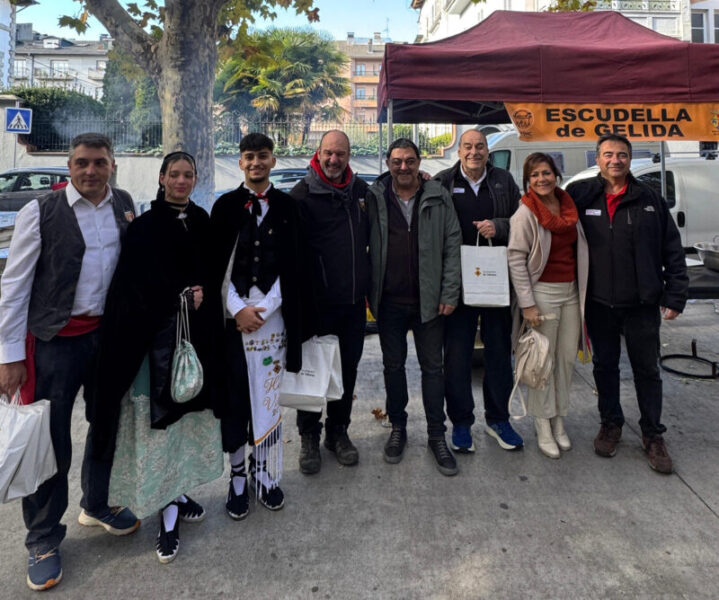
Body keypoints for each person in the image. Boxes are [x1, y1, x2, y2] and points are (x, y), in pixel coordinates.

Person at [0, 133, 140, 591]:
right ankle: (42, 538)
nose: (90, 171)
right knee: (50, 441)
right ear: (69, 165)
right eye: (82, 162)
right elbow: (14, 287)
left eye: (99, 163)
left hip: (107, 338)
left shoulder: (123, 203)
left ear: (112, 165)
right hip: (54, 342)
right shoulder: (38, 211)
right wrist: (9, 357)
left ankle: (96, 504)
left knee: (106, 425)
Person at [92, 151, 224, 564]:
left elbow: (212, 274)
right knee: (162, 426)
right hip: (154, 348)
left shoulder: (202, 221)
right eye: (175, 175)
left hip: (193, 347)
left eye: (188, 175)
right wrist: (178, 298)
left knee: (184, 425)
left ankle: (178, 492)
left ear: (195, 179)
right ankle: (166, 517)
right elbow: (133, 288)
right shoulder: (144, 228)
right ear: (162, 178)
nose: (181, 181)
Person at [566, 133, 688, 474]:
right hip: (598, 303)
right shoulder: (581, 194)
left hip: (641, 303)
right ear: (597, 158)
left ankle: (653, 434)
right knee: (604, 367)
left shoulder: (649, 198)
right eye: (608, 154)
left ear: (630, 159)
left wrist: (675, 294)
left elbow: (672, 250)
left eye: (621, 154)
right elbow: (543, 202)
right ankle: (611, 423)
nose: (615, 160)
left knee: (647, 370)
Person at [210, 133, 303, 519]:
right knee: (235, 400)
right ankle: (236, 476)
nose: (256, 163)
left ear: (273, 160)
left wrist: (264, 308)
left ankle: (264, 471)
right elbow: (215, 267)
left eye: (262, 156)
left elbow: (294, 265)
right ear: (240, 162)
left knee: (267, 396)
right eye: (249, 157)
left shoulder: (288, 207)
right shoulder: (225, 206)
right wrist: (237, 310)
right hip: (234, 320)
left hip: (272, 318)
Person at [367, 138, 461, 475]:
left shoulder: (438, 196)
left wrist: (450, 291)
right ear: (388, 162)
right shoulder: (375, 197)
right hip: (389, 301)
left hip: (430, 301)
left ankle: (437, 435)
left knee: (433, 370)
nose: (403, 167)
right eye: (396, 161)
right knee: (393, 367)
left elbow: (453, 243)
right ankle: (398, 428)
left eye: (409, 161)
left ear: (419, 162)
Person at [435, 129, 523, 453]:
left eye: (480, 146)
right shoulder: (443, 182)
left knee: (499, 353)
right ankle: (461, 423)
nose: (474, 152)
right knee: (456, 357)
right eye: (468, 146)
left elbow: (522, 221)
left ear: (488, 151)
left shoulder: (503, 181)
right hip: (457, 286)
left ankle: (498, 419)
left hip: (495, 280)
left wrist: (498, 226)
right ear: (458, 151)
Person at [289, 129, 370, 474]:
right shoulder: (301, 196)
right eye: (329, 153)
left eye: (341, 154)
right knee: (313, 374)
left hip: (353, 305)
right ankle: (309, 436)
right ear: (318, 153)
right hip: (317, 307)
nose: (334, 160)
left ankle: (338, 432)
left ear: (349, 157)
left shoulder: (362, 193)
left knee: (346, 372)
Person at [507, 153, 588, 459]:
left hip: (571, 293)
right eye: (534, 175)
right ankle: (542, 425)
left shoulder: (568, 206)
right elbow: (515, 258)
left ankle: (559, 420)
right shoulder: (526, 213)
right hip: (543, 294)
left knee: (566, 360)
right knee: (542, 364)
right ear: (528, 181)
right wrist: (527, 303)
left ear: (556, 174)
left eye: (546, 173)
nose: (542, 179)